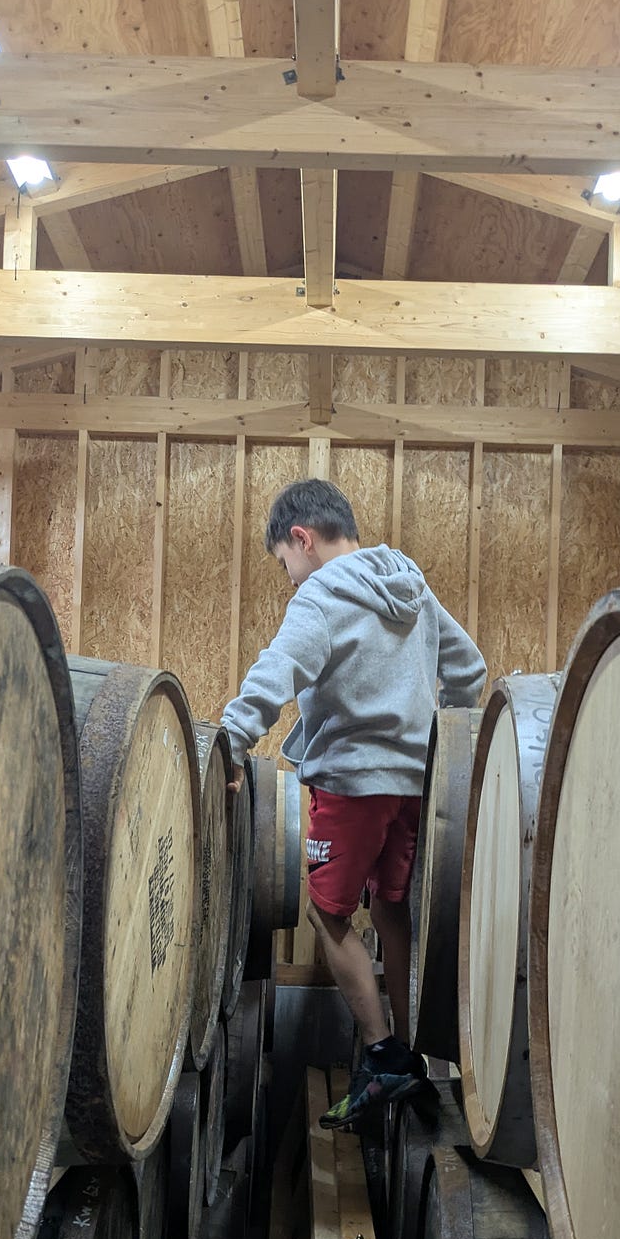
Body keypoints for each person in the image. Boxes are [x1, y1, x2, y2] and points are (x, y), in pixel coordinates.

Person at [222, 478, 486, 1130]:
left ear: (301, 539)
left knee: (325, 911)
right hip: (414, 782)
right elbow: (471, 669)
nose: (288, 578)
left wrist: (230, 739)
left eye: (284, 562)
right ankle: (413, 1044)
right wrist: (431, 739)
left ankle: (382, 1052)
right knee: (392, 907)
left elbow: (278, 667)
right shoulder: (411, 585)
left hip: (351, 780)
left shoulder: (321, 595)